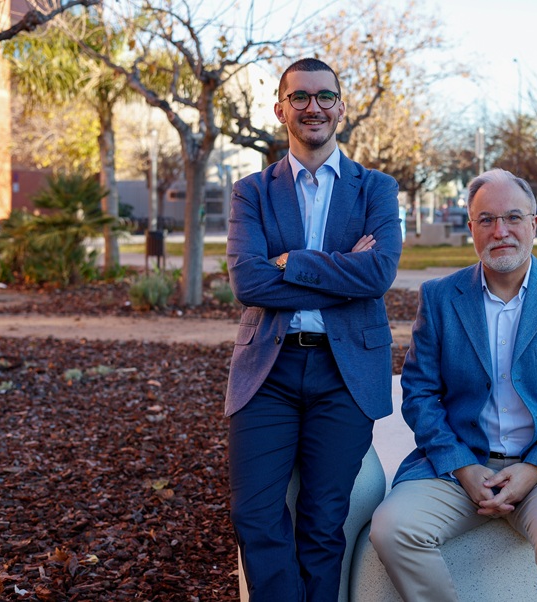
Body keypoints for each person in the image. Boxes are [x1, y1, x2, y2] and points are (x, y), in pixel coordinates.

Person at [370, 168, 537, 602]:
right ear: (471, 229)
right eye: (486, 220)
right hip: (456, 467)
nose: (500, 231)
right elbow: (420, 393)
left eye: (513, 218)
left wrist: (536, 467)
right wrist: (463, 467)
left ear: (534, 224)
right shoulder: (441, 297)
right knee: (393, 528)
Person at [225, 57, 402, 602]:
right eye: (299, 97)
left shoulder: (375, 187)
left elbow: (378, 273)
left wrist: (289, 263)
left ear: (341, 108)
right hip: (267, 374)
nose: (313, 107)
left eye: (324, 96)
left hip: (344, 373)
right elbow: (248, 282)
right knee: (254, 515)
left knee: (324, 523)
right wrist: (338, 270)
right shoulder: (251, 191)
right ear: (280, 108)